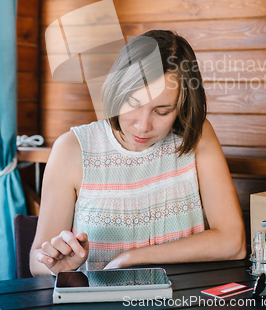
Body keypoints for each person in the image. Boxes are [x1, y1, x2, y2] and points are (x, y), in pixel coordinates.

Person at [30, 30, 246, 277]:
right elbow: (38, 262)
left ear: (182, 106)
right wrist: (55, 266)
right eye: (133, 104)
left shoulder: (196, 135)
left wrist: (132, 258)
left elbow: (233, 242)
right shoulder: (72, 148)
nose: (144, 126)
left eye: (162, 111)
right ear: (115, 90)